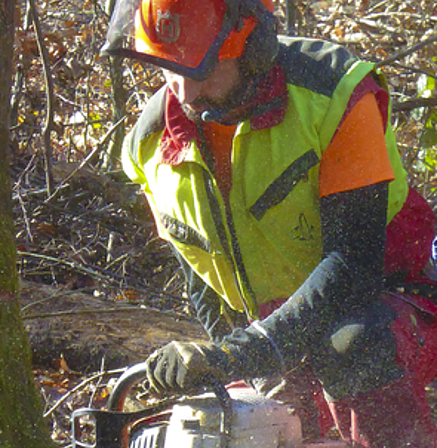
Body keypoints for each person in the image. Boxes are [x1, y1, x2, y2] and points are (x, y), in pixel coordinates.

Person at [101, 0, 437, 446]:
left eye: (199, 71)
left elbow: (353, 264)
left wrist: (253, 350)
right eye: (167, 69)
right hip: (278, 327)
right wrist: (231, 356)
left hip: (392, 298)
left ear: (249, 46)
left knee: (352, 345)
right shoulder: (149, 145)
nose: (183, 92)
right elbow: (202, 276)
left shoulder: (333, 94)